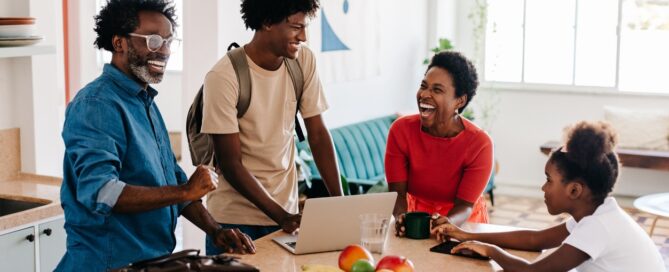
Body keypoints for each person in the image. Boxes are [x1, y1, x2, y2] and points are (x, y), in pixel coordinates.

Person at [57, 1, 254, 270]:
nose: (164, 51)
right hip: (107, 264)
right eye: (153, 40)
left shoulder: (145, 101)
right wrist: (185, 190)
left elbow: (174, 184)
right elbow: (103, 192)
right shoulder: (96, 104)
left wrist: (216, 231)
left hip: (151, 261)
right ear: (119, 43)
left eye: (169, 41)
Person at [200, 0, 342, 254]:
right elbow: (231, 164)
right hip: (235, 221)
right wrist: (283, 216)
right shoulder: (224, 76)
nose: (304, 36)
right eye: (296, 27)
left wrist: (340, 203)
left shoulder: (302, 61)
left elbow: (318, 134)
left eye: (305, 26)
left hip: (284, 214)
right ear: (267, 23)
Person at [434, 121, 666, 271]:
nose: (543, 189)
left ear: (574, 190)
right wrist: (465, 235)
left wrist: (491, 251)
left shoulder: (599, 226)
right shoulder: (596, 213)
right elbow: (535, 240)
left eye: (548, 181)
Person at [385, 51, 493, 237]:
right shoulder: (401, 131)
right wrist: (402, 217)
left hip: (464, 223)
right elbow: (397, 194)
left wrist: (446, 225)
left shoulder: (479, 144)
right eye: (423, 86)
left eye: (437, 90)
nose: (424, 94)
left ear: (459, 101)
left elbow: (464, 206)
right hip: (416, 217)